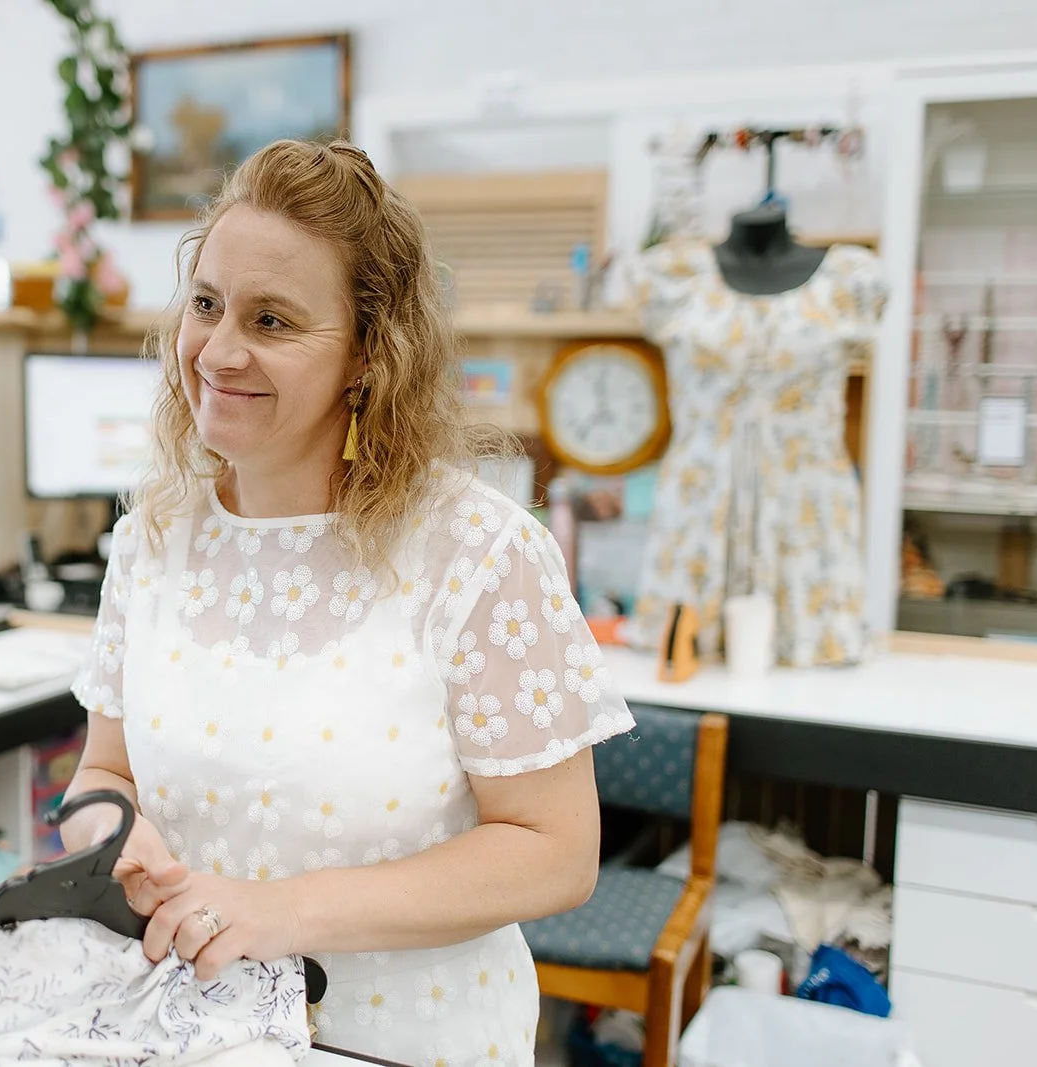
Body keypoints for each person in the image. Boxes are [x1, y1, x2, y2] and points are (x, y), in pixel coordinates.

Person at [63, 138, 635, 1067]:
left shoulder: (477, 553)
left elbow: (555, 850)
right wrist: (113, 840)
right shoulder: (153, 538)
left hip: (405, 1043)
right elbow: (103, 774)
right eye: (206, 304)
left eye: (274, 321)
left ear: (370, 354)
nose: (219, 349)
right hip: (193, 1033)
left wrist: (279, 910)